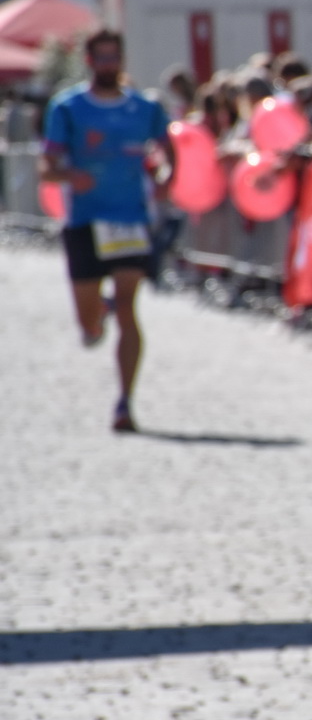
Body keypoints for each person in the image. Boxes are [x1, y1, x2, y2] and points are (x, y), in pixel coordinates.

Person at [38, 28, 173, 432]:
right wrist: (69, 175)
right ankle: (98, 314)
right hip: (84, 222)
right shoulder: (68, 107)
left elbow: (171, 146)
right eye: (102, 57)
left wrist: (168, 178)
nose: (109, 65)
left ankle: (125, 403)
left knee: (131, 308)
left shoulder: (144, 107)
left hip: (129, 219)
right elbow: (46, 168)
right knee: (88, 326)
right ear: (89, 61)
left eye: (115, 57)